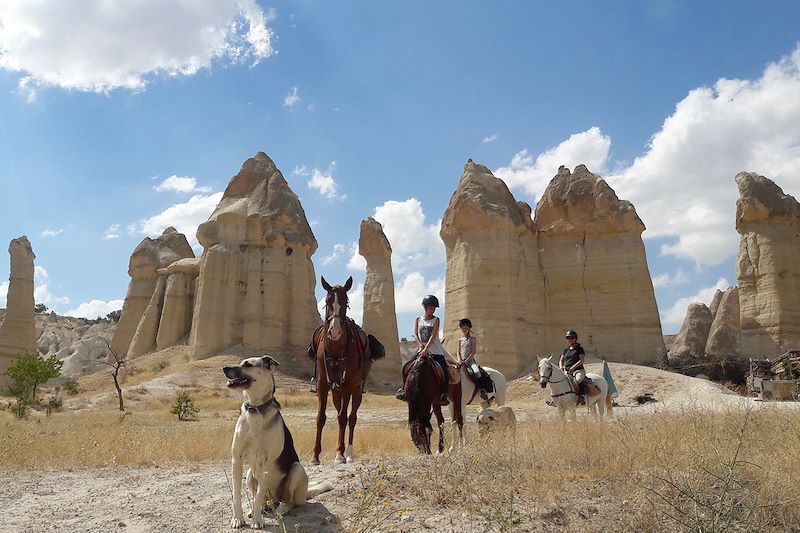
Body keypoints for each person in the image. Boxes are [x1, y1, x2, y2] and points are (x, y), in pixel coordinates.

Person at [395, 295, 450, 406]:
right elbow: (415, 334)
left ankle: (443, 394)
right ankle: (404, 390)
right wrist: (420, 346)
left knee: (445, 370)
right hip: (421, 350)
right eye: (431, 307)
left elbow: (433, 336)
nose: (433, 309)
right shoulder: (418, 319)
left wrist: (426, 349)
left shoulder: (436, 320)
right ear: (425, 307)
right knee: (407, 366)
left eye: (434, 308)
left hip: (435, 351)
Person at [458, 318, 489, 402]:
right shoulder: (460, 340)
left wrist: (467, 360)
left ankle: (482, 390)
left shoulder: (473, 339)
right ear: (460, 328)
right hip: (460, 361)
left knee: (476, 372)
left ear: (469, 329)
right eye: (463, 328)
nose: (464, 330)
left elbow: (473, 352)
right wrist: (460, 360)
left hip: (470, 361)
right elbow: (458, 352)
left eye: (466, 328)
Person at [559, 329, 586, 404]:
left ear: (575, 338)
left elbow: (581, 360)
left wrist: (573, 367)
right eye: (568, 338)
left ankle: (581, 396)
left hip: (578, 370)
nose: (570, 339)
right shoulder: (566, 350)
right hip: (567, 371)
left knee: (578, 380)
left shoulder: (579, 349)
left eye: (572, 338)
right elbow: (561, 360)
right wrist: (561, 367)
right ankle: (555, 399)